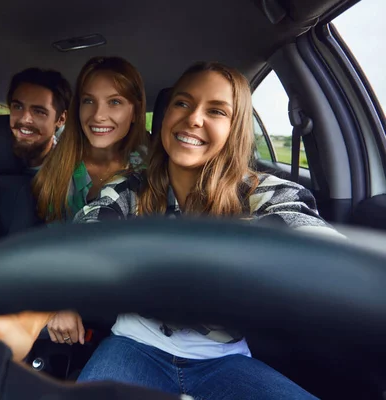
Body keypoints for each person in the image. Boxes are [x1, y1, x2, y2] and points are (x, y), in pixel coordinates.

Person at [72, 62, 342, 399]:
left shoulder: (264, 193)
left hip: (226, 361)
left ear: (235, 127)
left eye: (216, 111)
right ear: (165, 115)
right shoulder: (129, 189)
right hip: (133, 344)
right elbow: (87, 231)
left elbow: (309, 236)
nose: (194, 119)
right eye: (182, 103)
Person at [32, 56, 149, 345]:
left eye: (115, 102)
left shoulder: (154, 169)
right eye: (88, 101)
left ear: (135, 111)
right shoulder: (58, 167)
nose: (98, 115)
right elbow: (51, 243)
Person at [6, 68, 71, 171]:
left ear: (61, 119)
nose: (24, 119)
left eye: (39, 112)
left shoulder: (72, 171)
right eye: (18, 107)